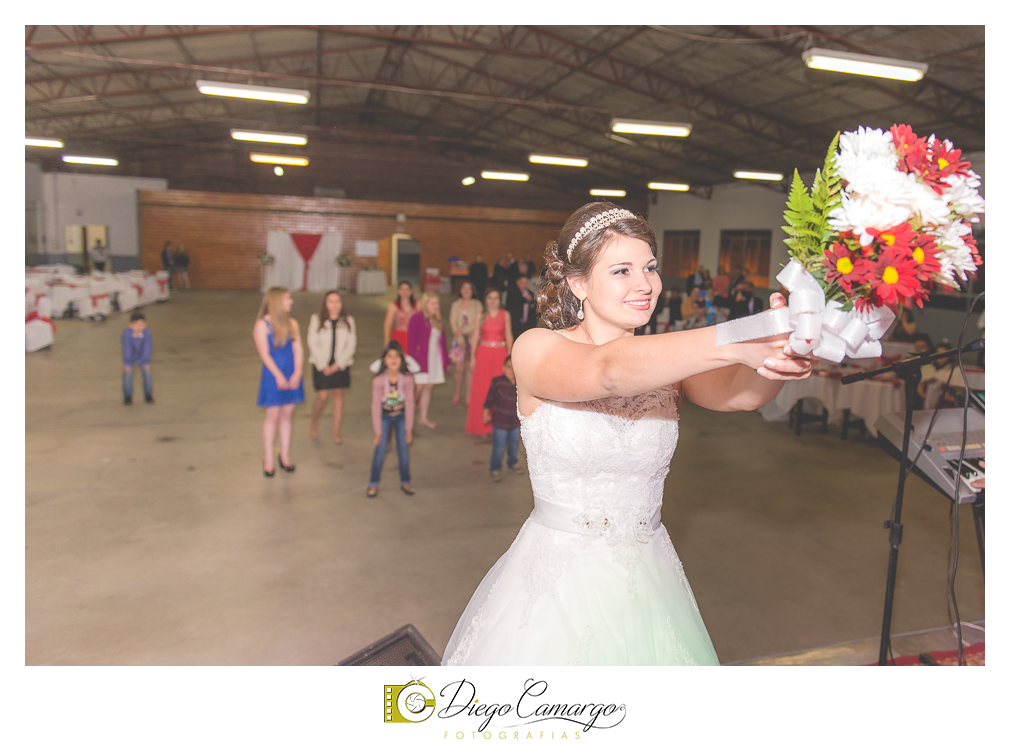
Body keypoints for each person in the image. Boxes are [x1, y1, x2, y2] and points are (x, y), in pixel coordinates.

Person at [442, 202, 814, 666]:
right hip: (559, 586)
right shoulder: (535, 348)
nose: (646, 284)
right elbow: (608, 372)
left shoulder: (666, 364)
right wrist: (738, 339)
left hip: (648, 575)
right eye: (622, 270)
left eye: (650, 268)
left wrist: (781, 351)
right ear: (578, 284)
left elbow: (742, 394)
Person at [254, 287, 304, 477]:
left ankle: (284, 455)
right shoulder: (262, 325)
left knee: (287, 415)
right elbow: (264, 354)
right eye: (288, 298)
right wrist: (278, 375)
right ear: (277, 301)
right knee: (272, 416)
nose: (291, 301)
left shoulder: (292, 323)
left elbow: (298, 349)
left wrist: (298, 372)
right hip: (273, 375)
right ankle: (268, 457)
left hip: (291, 373)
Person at [307, 290, 356, 443]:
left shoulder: (348, 320)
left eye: (338, 301)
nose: (335, 305)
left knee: (338, 394)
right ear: (325, 304)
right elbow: (312, 343)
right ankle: (314, 422)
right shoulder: (316, 319)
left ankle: (336, 430)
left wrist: (338, 364)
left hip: (340, 364)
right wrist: (323, 365)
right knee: (322, 396)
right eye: (331, 301)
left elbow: (351, 345)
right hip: (321, 364)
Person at [368, 343, 415, 498]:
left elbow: (410, 403)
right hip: (384, 417)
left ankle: (405, 481)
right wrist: (378, 431)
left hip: (401, 416)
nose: (393, 359)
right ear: (384, 360)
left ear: (402, 359)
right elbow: (375, 405)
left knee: (403, 450)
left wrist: (409, 428)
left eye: (397, 356)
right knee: (380, 450)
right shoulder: (378, 381)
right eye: (389, 356)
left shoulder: (407, 379)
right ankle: (373, 483)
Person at [465, 288, 513, 437]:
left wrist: (511, 358)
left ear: (500, 300)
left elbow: (509, 336)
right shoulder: (480, 315)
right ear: (485, 300)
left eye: (496, 298)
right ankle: (481, 426)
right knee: (482, 388)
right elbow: (475, 336)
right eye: (490, 298)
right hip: (483, 354)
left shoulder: (505, 315)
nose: (493, 301)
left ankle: (497, 426)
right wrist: (472, 357)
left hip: (500, 354)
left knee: (500, 389)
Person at [407, 292, 450, 429]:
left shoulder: (438, 320)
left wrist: (446, 361)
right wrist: (412, 361)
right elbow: (411, 340)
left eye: (437, 303)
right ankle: (406, 418)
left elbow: (442, 342)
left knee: (429, 388)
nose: (436, 306)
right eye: (433, 303)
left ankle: (423, 418)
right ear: (425, 304)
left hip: (434, 359)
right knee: (417, 388)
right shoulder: (416, 318)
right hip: (420, 359)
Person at [483, 356, 523, 482]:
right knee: (498, 448)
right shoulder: (497, 382)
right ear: (503, 368)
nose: (511, 370)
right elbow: (489, 399)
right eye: (509, 367)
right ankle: (495, 468)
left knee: (513, 445)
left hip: (515, 423)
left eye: (514, 368)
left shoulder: (522, 385)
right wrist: (485, 413)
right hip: (500, 423)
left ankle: (512, 462)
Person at [449, 281, 482, 406]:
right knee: (458, 369)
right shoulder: (455, 304)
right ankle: (457, 393)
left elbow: (478, 322)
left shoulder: (477, 304)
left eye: (469, 288)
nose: (466, 291)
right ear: (460, 290)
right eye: (464, 288)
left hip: (472, 339)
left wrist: (463, 331)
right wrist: (460, 338)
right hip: (458, 340)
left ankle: (469, 395)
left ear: (472, 291)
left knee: (469, 368)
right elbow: (453, 322)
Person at [121, 310, 153, 405]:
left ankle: (148, 395)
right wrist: (128, 363)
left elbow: (147, 348)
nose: (139, 327)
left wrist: (146, 361)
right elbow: (127, 349)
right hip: (131, 356)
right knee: (127, 375)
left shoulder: (147, 333)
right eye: (136, 324)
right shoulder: (126, 334)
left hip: (142, 356)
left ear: (145, 325)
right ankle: (128, 397)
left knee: (147, 375)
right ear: (130, 325)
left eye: (141, 324)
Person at [383, 281, 417, 351]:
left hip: (414, 336)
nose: (405, 292)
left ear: (411, 291)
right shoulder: (393, 305)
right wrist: (387, 340)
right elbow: (387, 324)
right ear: (398, 291)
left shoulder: (417, 304)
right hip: (398, 337)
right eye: (402, 289)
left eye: (407, 289)